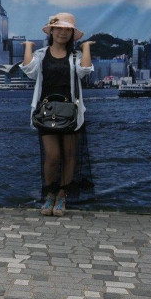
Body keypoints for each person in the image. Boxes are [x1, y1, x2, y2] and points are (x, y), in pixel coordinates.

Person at [20, 13, 94, 217]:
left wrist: (85, 48)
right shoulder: (42, 55)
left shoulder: (75, 57)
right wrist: (28, 47)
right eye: (59, 28)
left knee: (70, 156)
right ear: (51, 31)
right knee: (52, 156)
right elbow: (29, 69)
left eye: (67, 29)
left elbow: (85, 70)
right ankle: (50, 194)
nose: (63, 32)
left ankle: (63, 195)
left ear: (72, 34)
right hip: (46, 112)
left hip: (70, 112)